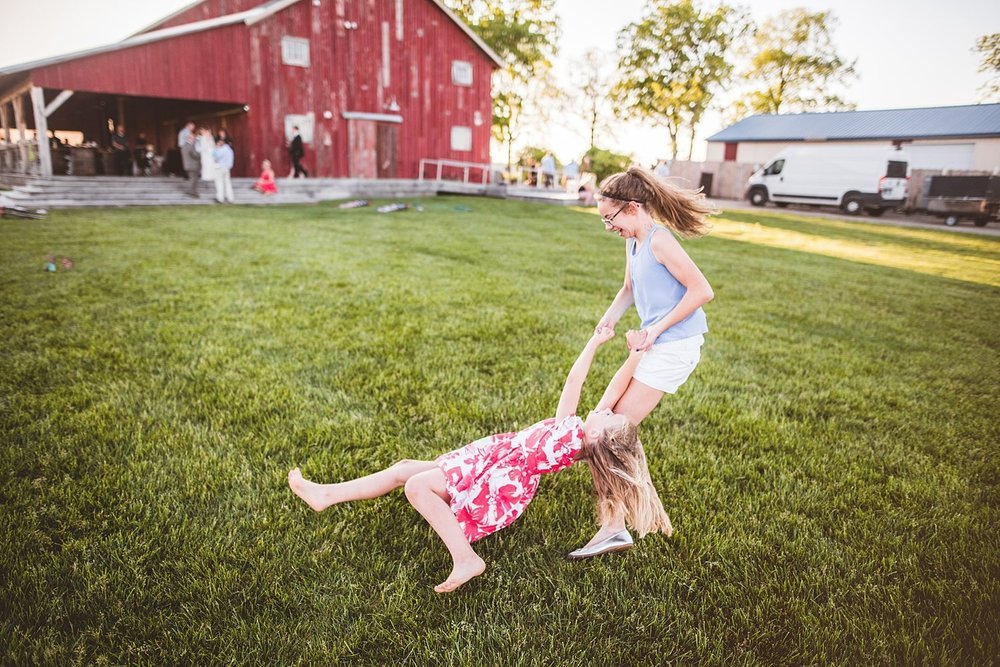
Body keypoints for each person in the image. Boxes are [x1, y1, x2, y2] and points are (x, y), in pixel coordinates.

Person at [288, 328, 672, 593]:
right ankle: (326, 495)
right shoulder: (579, 437)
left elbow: (576, 382)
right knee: (406, 468)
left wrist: (594, 343)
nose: (605, 410)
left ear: (596, 435)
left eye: (608, 417)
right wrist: (635, 355)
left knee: (416, 485)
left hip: (495, 477)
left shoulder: (568, 436)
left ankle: (466, 558)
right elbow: (614, 389)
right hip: (491, 463)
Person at [568, 166, 715, 559]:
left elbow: (702, 291)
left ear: (632, 208)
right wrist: (610, 317)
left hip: (675, 347)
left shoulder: (659, 241)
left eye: (609, 218)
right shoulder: (633, 240)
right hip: (657, 344)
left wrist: (656, 329)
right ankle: (623, 517)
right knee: (602, 428)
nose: (607, 226)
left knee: (606, 432)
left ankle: (614, 527)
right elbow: (629, 288)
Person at [212, 136, 235, 204]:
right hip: (227, 168)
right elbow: (231, 160)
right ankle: (230, 198)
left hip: (220, 167)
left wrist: (215, 149)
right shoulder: (229, 150)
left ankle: (220, 198)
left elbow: (215, 156)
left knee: (219, 183)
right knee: (227, 183)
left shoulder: (221, 149)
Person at [180, 132, 201, 198]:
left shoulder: (184, 145)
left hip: (187, 166)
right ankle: (193, 193)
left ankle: (191, 191)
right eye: (193, 138)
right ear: (190, 138)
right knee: (194, 180)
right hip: (193, 166)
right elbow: (195, 155)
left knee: (192, 179)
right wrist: (201, 155)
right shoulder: (190, 146)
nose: (194, 139)